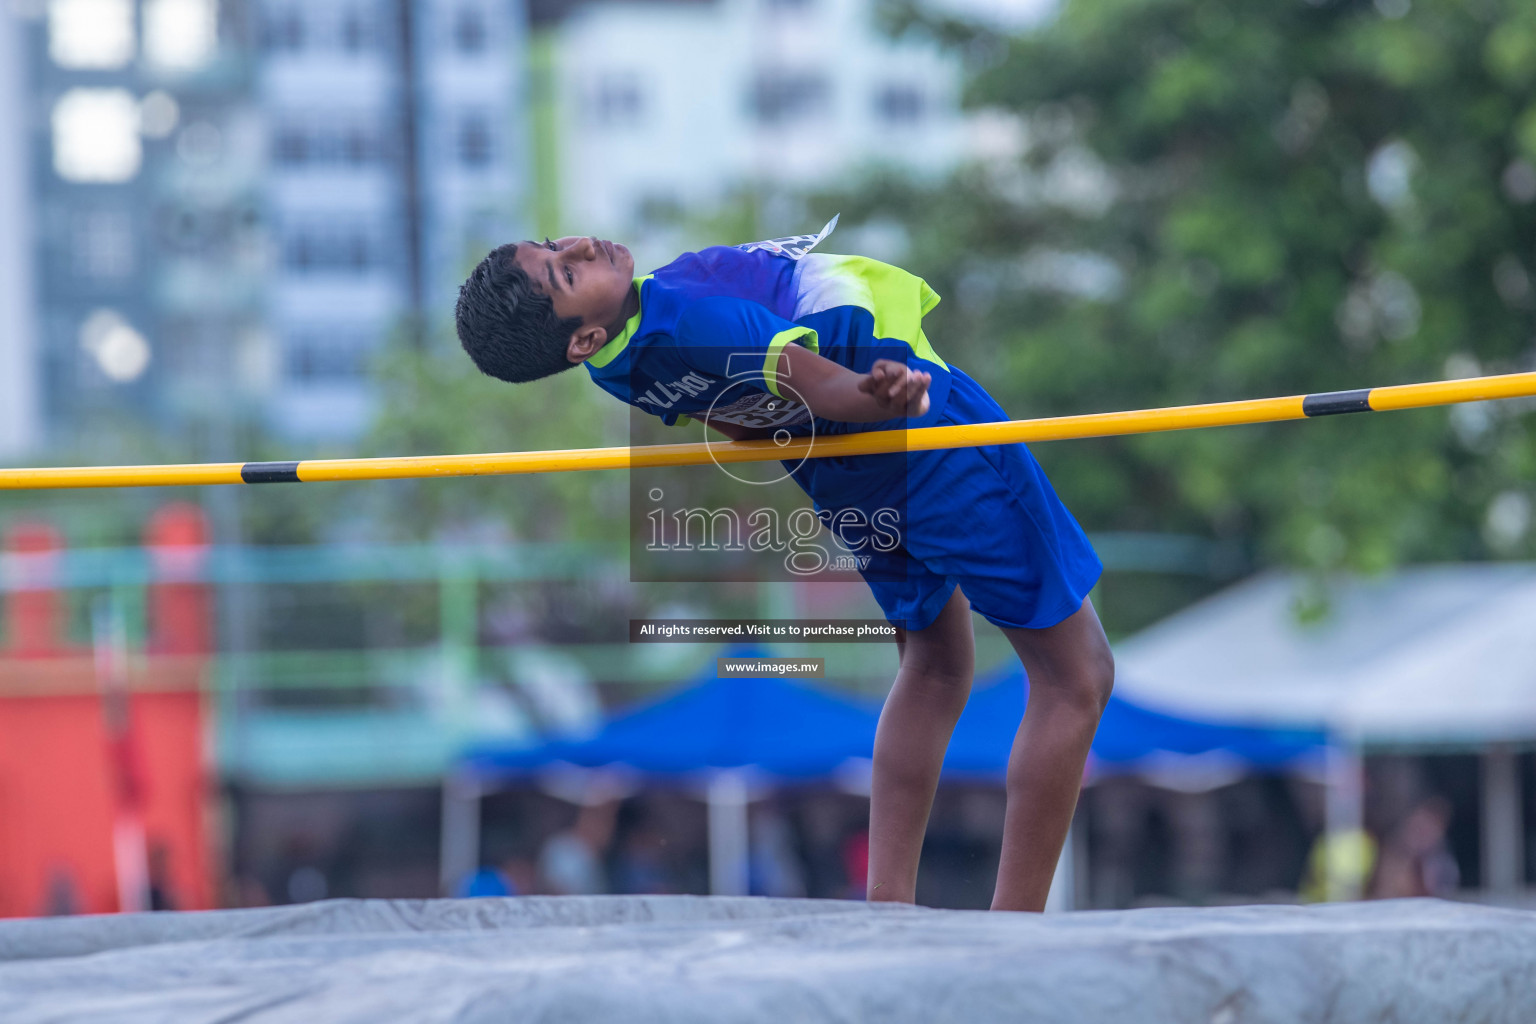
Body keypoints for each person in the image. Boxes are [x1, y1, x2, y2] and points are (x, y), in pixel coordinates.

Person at [454, 223, 1114, 912]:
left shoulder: (614, 365)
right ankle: (1015, 931)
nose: (582, 248)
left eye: (557, 245)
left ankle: (888, 914)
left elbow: (737, 415)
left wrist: (842, 411)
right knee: (1077, 677)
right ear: (581, 337)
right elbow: (824, 387)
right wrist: (882, 393)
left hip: (845, 474)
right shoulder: (687, 319)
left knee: (936, 666)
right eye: (565, 274)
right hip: (921, 433)